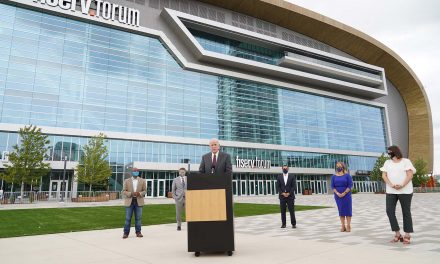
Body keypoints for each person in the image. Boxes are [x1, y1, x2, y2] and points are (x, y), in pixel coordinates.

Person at [380, 145, 416, 244]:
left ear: (395, 151)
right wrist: (391, 185)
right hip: (391, 191)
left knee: (406, 212)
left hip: (405, 191)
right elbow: (384, 175)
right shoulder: (387, 162)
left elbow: (410, 175)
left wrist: (402, 185)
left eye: (390, 152)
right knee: (389, 211)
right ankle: (397, 233)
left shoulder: (406, 161)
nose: (389, 154)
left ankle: (407, 235)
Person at [122, 167, 147, 239]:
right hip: (129, 201)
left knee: (138, 218)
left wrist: (139, 193)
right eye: (134, 171)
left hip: (139, 201)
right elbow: (123, 191)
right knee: (127, 218)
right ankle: (126, 233)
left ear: (138, 172)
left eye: (137, 171)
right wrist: (131, 193)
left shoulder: (142, 180)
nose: (136, 172)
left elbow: (145, 190)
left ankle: (138, 232)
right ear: (132, 172)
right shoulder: (127, 181)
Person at [331, 162, 353, 232]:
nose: (338, 167)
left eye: (339, 166)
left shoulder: (347, 176)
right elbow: (332, 186)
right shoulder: (333, 176)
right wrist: (337, 193)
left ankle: (348, 225)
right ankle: (343, 226)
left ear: (343, 167)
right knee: (341, 211)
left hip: (347, 195)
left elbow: (350, 185)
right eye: (337, 166)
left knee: (348, 210)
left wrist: (344, 193)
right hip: (337, 196)